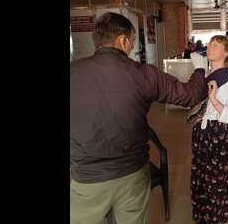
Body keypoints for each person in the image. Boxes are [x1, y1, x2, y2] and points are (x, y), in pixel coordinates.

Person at [70, 12, 208, 224]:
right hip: (131, 175)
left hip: (86, 178)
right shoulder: (145, 73)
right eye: (133, 41)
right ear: (123, 40)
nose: (133, 47)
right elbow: (190, 95)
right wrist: (200, 69)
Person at [190, 35, 228, 224]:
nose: (210, 47)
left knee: (217, 185)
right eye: (209, 44)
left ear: (226, 52)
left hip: (218, 136)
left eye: (215, 45)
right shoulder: (206, 75)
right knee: (201, 182)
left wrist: (214, 99)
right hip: (202, 136)